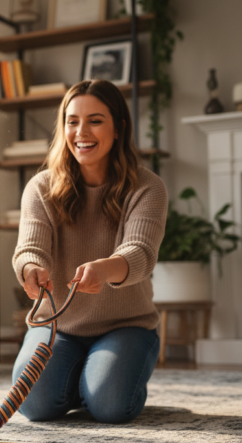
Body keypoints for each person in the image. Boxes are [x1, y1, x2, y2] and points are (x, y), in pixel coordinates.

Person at [12, 79, 167, 424]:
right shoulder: (40, 188)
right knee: (34, 405)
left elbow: (140, 252)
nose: (82, 131)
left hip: (125, 325)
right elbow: (30, 247)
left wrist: (105, 269)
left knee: (111, 406)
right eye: (72, 121)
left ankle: (102, 379)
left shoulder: (148, 187)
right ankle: (85, 379)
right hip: (58, 326)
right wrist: (31, 268)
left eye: (95, 120)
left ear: (118, 129)